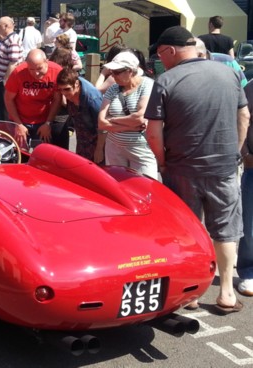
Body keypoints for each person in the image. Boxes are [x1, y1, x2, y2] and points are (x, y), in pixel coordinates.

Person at [145, 26, 250, 314]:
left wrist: (161, 161)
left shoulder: (166, 80)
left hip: (181, 168)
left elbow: (153, 132)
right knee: (227, 230)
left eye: (159, 55)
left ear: (170, 51)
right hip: (224, 167)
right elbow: (244, 115)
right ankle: (227, 292)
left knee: (188, 232)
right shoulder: (230, 73)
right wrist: (235, 151)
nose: (159, 60)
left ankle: (190, 294)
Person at [98, 51, 157, 179]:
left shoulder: (147, 84)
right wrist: (130, 126)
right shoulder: (112, 89)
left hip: (140, 149)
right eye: (112, 72)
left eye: (117, 72)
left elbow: (140, 117)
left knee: (146, 188)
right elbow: (101, 123)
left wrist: (112, 120)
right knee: (118, 188)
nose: (113, 76)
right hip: (114, 148)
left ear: (130, 71)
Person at [4, 49, 62, 148]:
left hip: (43, 120)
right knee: (19, 153)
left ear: (46, 61)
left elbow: (57, 99)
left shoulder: (56, 71)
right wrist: (18, 124)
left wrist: (48, 123)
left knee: (43, 153)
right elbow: (8, 99)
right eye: (31, 69)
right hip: (20, 119)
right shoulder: (18, 72)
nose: (36, 73)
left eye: (39, 68)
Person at [56, 68, 104, 162]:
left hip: (96, 140)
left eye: (67, 89)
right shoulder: (71, 92)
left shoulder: (92, 100)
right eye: (61, 90)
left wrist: (99, 149)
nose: (64, 93)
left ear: (76, 84)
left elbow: (102, 127)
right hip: (82, 138)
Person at [0, 16, 23, 122]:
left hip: (2, 83)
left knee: (2, 111)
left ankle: (4, 134)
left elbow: (13, 63)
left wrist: (6, 82)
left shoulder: (12, 40)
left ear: (5, 26)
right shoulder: (8, 39)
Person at [238, 79, 253, 297]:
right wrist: (245, 153)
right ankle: (249, 271)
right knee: (250, 223)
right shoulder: (251, 86)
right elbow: (242, 118)